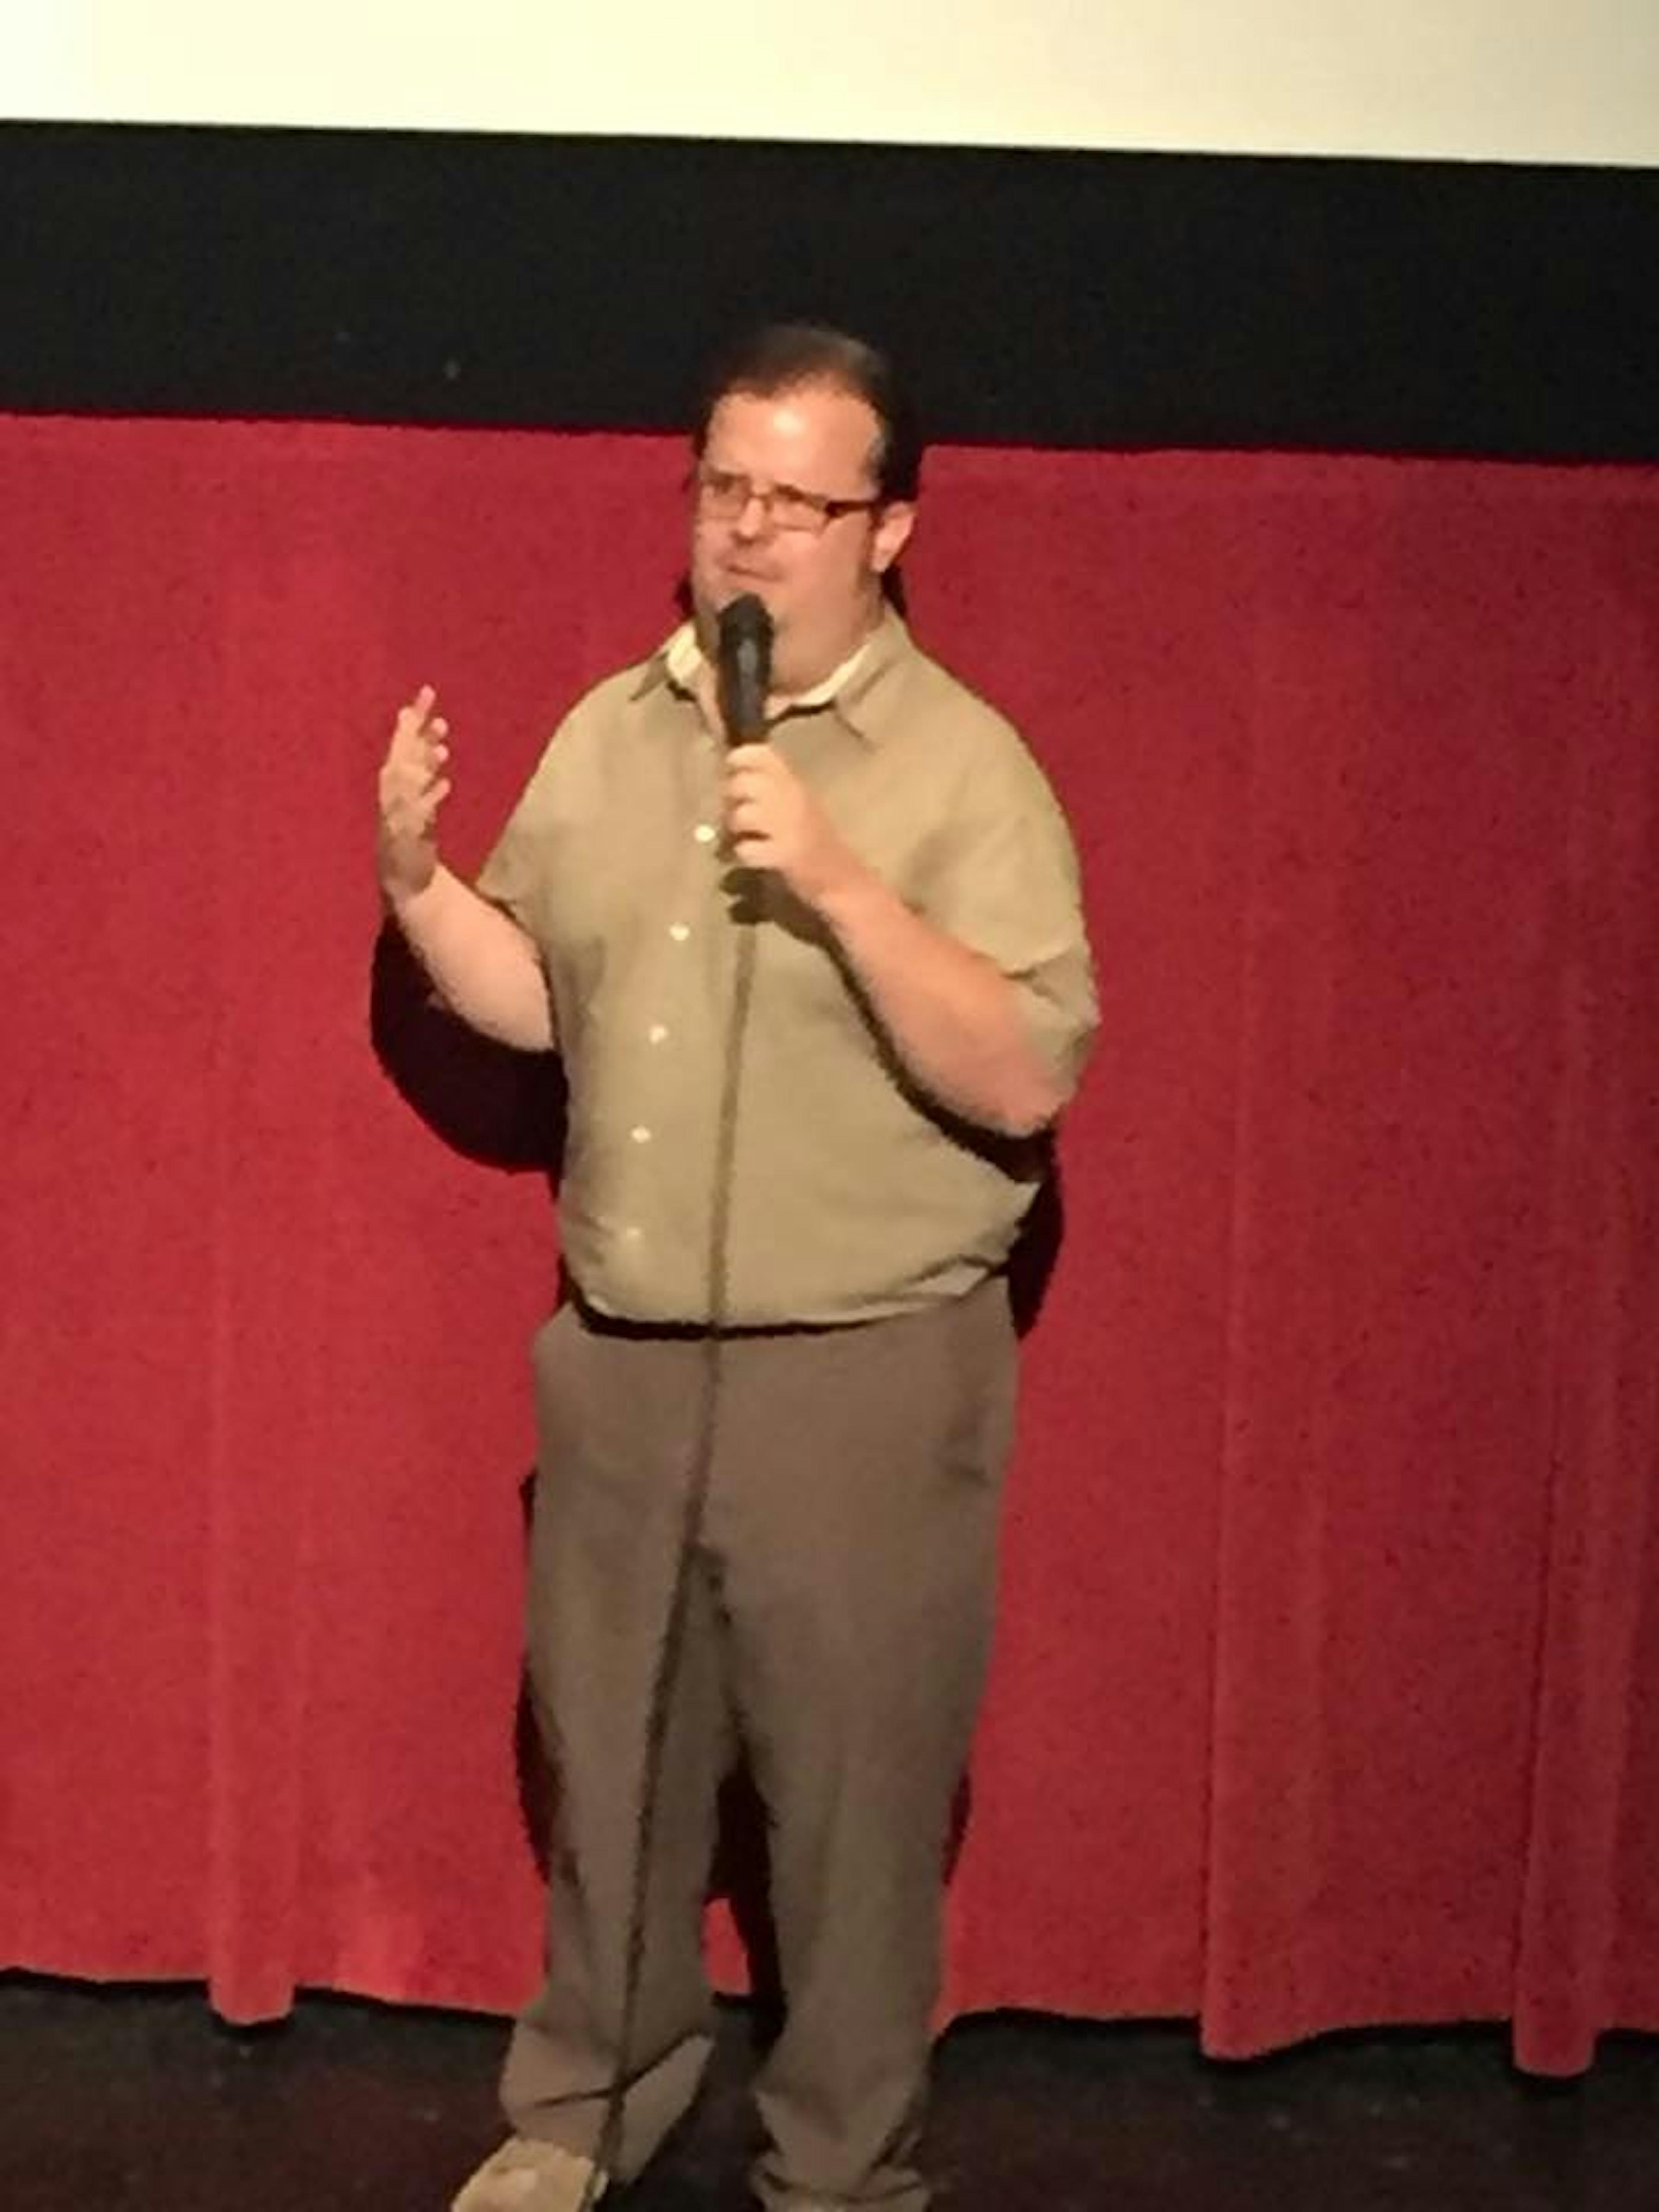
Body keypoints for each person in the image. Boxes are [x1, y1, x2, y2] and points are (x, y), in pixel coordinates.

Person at [375, 324, 1097, 2212]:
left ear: (891, 527)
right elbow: (546, 1000)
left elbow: (1028, 1069)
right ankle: (587, 2103)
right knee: (608, 1762)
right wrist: (418, 888)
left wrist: (846, 880)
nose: (751, 532)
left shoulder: (964, 766)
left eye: (800, 499)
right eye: (725, 488)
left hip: (860, 1371)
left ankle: (845, 2167)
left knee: (854, 1816)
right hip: (620, 1357)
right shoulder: (615, 733)